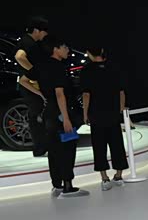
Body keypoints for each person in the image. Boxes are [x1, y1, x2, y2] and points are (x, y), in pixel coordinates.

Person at [37, 37, 88, 198]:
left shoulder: (42, 66)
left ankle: (57, 185)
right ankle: (68, 186)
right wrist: (66, 118)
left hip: (50, 113)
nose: (67, 50)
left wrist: (42, 95)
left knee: (54, 150)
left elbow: (24, 80)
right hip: (61, 114)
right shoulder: (58, 67)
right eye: (64, 47)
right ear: (55, 49)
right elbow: (60, 94)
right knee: (67, 149)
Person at [81, 47, 128, 190]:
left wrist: (85, 114)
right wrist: (120, 108)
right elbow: (121, 91)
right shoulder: (113, 67)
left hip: (96, 113)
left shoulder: (87, 70)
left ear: (90, 54)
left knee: (99, 146)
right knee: (117, 144)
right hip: (112, 112)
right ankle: (119, 176)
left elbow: (86, 94)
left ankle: (105, 178)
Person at [14, 16, 49, 157]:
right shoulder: (27, 42)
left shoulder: (31, 42)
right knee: (36, 116)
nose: (45, 34)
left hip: (31, 83)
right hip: (30, 84)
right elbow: (19, 57)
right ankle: (40, 148)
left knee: (37, 115)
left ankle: (41, 147)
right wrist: (34, 72)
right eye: (44, 31)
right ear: (36, 30)